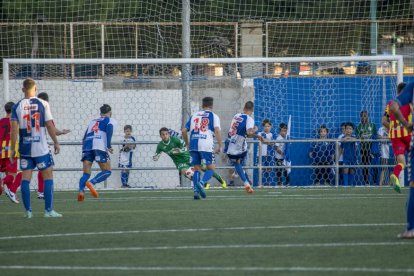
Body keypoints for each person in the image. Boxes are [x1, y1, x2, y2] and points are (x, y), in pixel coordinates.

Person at [10, 78, 61, 218]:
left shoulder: (17, 106)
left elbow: (13, 130)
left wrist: (12, 149)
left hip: (25, 148)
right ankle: (48, 210)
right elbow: (50, 125)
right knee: (48, 176)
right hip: (41, 148)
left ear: (22, 89)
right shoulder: (43, 103)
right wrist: (56, 142)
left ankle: (28, 212)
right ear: (35, 88)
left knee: (25, 179)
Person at [153, 127, 226, 188]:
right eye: (163, 135)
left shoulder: (175, 140)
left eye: (166, 134)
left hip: (188, 157)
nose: (165, 136)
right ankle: (204, 184)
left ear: (169, 134)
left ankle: (220, 179)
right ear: (160, 136)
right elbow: (156, 155)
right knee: (185, 172)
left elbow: (186, 147)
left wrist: (178, 151)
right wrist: (155, 157)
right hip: (179, 162)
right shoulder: (160, 146)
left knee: (204, 168)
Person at [182, 97, 223, 200]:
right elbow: (217, 131)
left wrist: (187, 144)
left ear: (202, 105)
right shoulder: (213, 116)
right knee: (211, 169)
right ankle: (202, 183)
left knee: (196, 169)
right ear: (212, 106)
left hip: (194, 143)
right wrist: (220, 145)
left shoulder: (194, 115)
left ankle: (196, 191)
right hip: (206, 144)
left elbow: (183, 131)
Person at [389, 81, 414, 238]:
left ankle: (411, 228)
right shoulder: (409, 107)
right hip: (407, 136)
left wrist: (403, 124)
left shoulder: (393, 102)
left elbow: (386, 119)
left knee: (402, 162)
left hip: (398, 135)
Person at [36, 92, 70, 199]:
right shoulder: (44, 110)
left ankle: (41, 191)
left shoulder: (31, 110)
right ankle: (43, 192)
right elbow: (51, 128)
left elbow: (53, 129)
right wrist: (56, 141)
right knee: (47, 168)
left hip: (29, 142)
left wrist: (61, 132)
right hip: (42, 143)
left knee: (32, 169)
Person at [77, 104, 116, 201]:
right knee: (107, 171)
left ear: (100, 113)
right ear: (110, 113)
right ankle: (92, 182)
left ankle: (81, 191)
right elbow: (110, 129)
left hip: (87, 146)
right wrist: (109, 145)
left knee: (86, 173)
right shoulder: (110, 120)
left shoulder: (92, 121)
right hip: (99, 146)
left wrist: (84, 148)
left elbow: (85, 136)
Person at [224, 101, 261, 193]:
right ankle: (238, 172)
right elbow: (249, 133)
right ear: (252, 110)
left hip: (229, 144)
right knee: (243, 157)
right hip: (239, 146)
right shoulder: (249, 119)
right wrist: (257, 133)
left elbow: (241, 130)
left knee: (237, 163)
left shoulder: (236, 115)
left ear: (244, 108)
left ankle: (246, 183)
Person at [383, 82, 409, 192]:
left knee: (402, 162)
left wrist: (393, 130)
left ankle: (395, 174)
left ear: (397, 91)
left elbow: (384, 121)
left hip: (395, 136)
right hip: (408, 133)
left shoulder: (390, 104)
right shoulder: (409, 102)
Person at [0, 102, 22, 204]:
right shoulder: (14, 121)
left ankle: (12, 194)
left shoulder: (1, 121)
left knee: (8, 174)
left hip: (2, 150)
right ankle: (2, 182)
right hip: (11, 150)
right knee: (14, 175)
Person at [356, 111, 377, 185]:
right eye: (362, 116)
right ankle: (366, 182)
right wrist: (361, 137)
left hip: (372, 149)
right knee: (365, 166)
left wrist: (372, 138)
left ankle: (374, 181)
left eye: (365, 116)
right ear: (360, 117)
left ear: (368, 116)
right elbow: (357, 137)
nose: (363, 117)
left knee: (374, 165)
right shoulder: (359, 127)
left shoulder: (372, 125)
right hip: (363, 149)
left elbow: (375, 136)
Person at [257, 119, 277, 186]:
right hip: (261, 154)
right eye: (265, 126)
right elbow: (263, 140)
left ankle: (268, 183)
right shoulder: (260, 133)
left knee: (269, 169)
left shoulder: (273, 134)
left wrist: (266, 141)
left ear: (270, 126)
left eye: (268, 126)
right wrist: (269, 142)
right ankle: (261, 183)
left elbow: (273, 142)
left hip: (270, 155)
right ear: (263, 127)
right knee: (261, 169)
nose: (267, 128)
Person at [341, 122, 358, 186]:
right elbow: (341, 144)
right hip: (346, 157)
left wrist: (349, 138)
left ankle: (351, 184)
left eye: (350, 129)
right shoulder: (343, 137)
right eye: (347, 128)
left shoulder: (354, 137)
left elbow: (355, 140)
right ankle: (345, 185)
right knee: (345, 170)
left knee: (352, 170)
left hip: (353, 157)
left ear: (352, 130)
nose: (348, 130)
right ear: (345, 130)